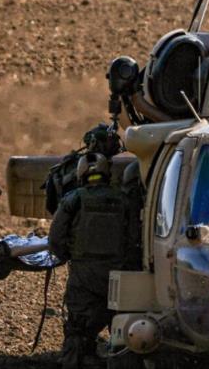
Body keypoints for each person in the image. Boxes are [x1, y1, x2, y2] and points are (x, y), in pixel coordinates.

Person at [49, 153, 139, 369]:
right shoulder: (123, 200)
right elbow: (134, 239)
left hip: (84, 275)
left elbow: (55, 239)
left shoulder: (74, 199)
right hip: (118, 276)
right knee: (123, 333)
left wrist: (69, 256)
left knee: (78, 330)